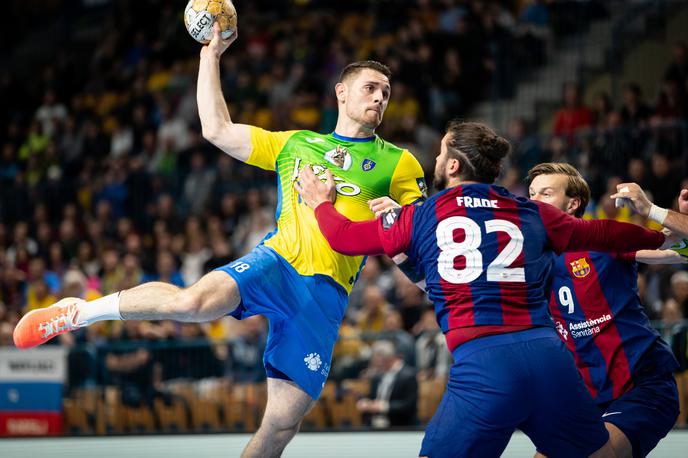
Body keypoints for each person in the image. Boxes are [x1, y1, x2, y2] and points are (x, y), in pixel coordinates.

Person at [12, 23, 426, 457]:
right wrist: (211, 55)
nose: (380, 98)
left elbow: (416, 235)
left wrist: (401, 223)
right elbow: (215, 127)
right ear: (341, 92)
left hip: (326, 295)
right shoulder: (297, 144)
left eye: (386, 93)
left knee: (281, 425)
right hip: (277, 263)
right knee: (192, 304)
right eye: (371, 88)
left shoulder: (398, 163)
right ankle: (79, 312)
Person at [295, 120, 676, 457]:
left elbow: (342, 237)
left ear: (454, 165)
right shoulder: (532, 212)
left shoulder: (421, 215)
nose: (437, 159)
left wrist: (320, 203)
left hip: (485, 362)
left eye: (442, 151)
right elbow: (603, 231)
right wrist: (660, 236)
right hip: (550, 360)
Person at [527, 163, 682, 458]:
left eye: (545, 194)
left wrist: (655, 211)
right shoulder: (529, 260)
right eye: (531, 193)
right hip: (586, 395)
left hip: (642, 385)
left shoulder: (601, 239)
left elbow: (677, 247)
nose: (534, 201)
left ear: (572, 204)